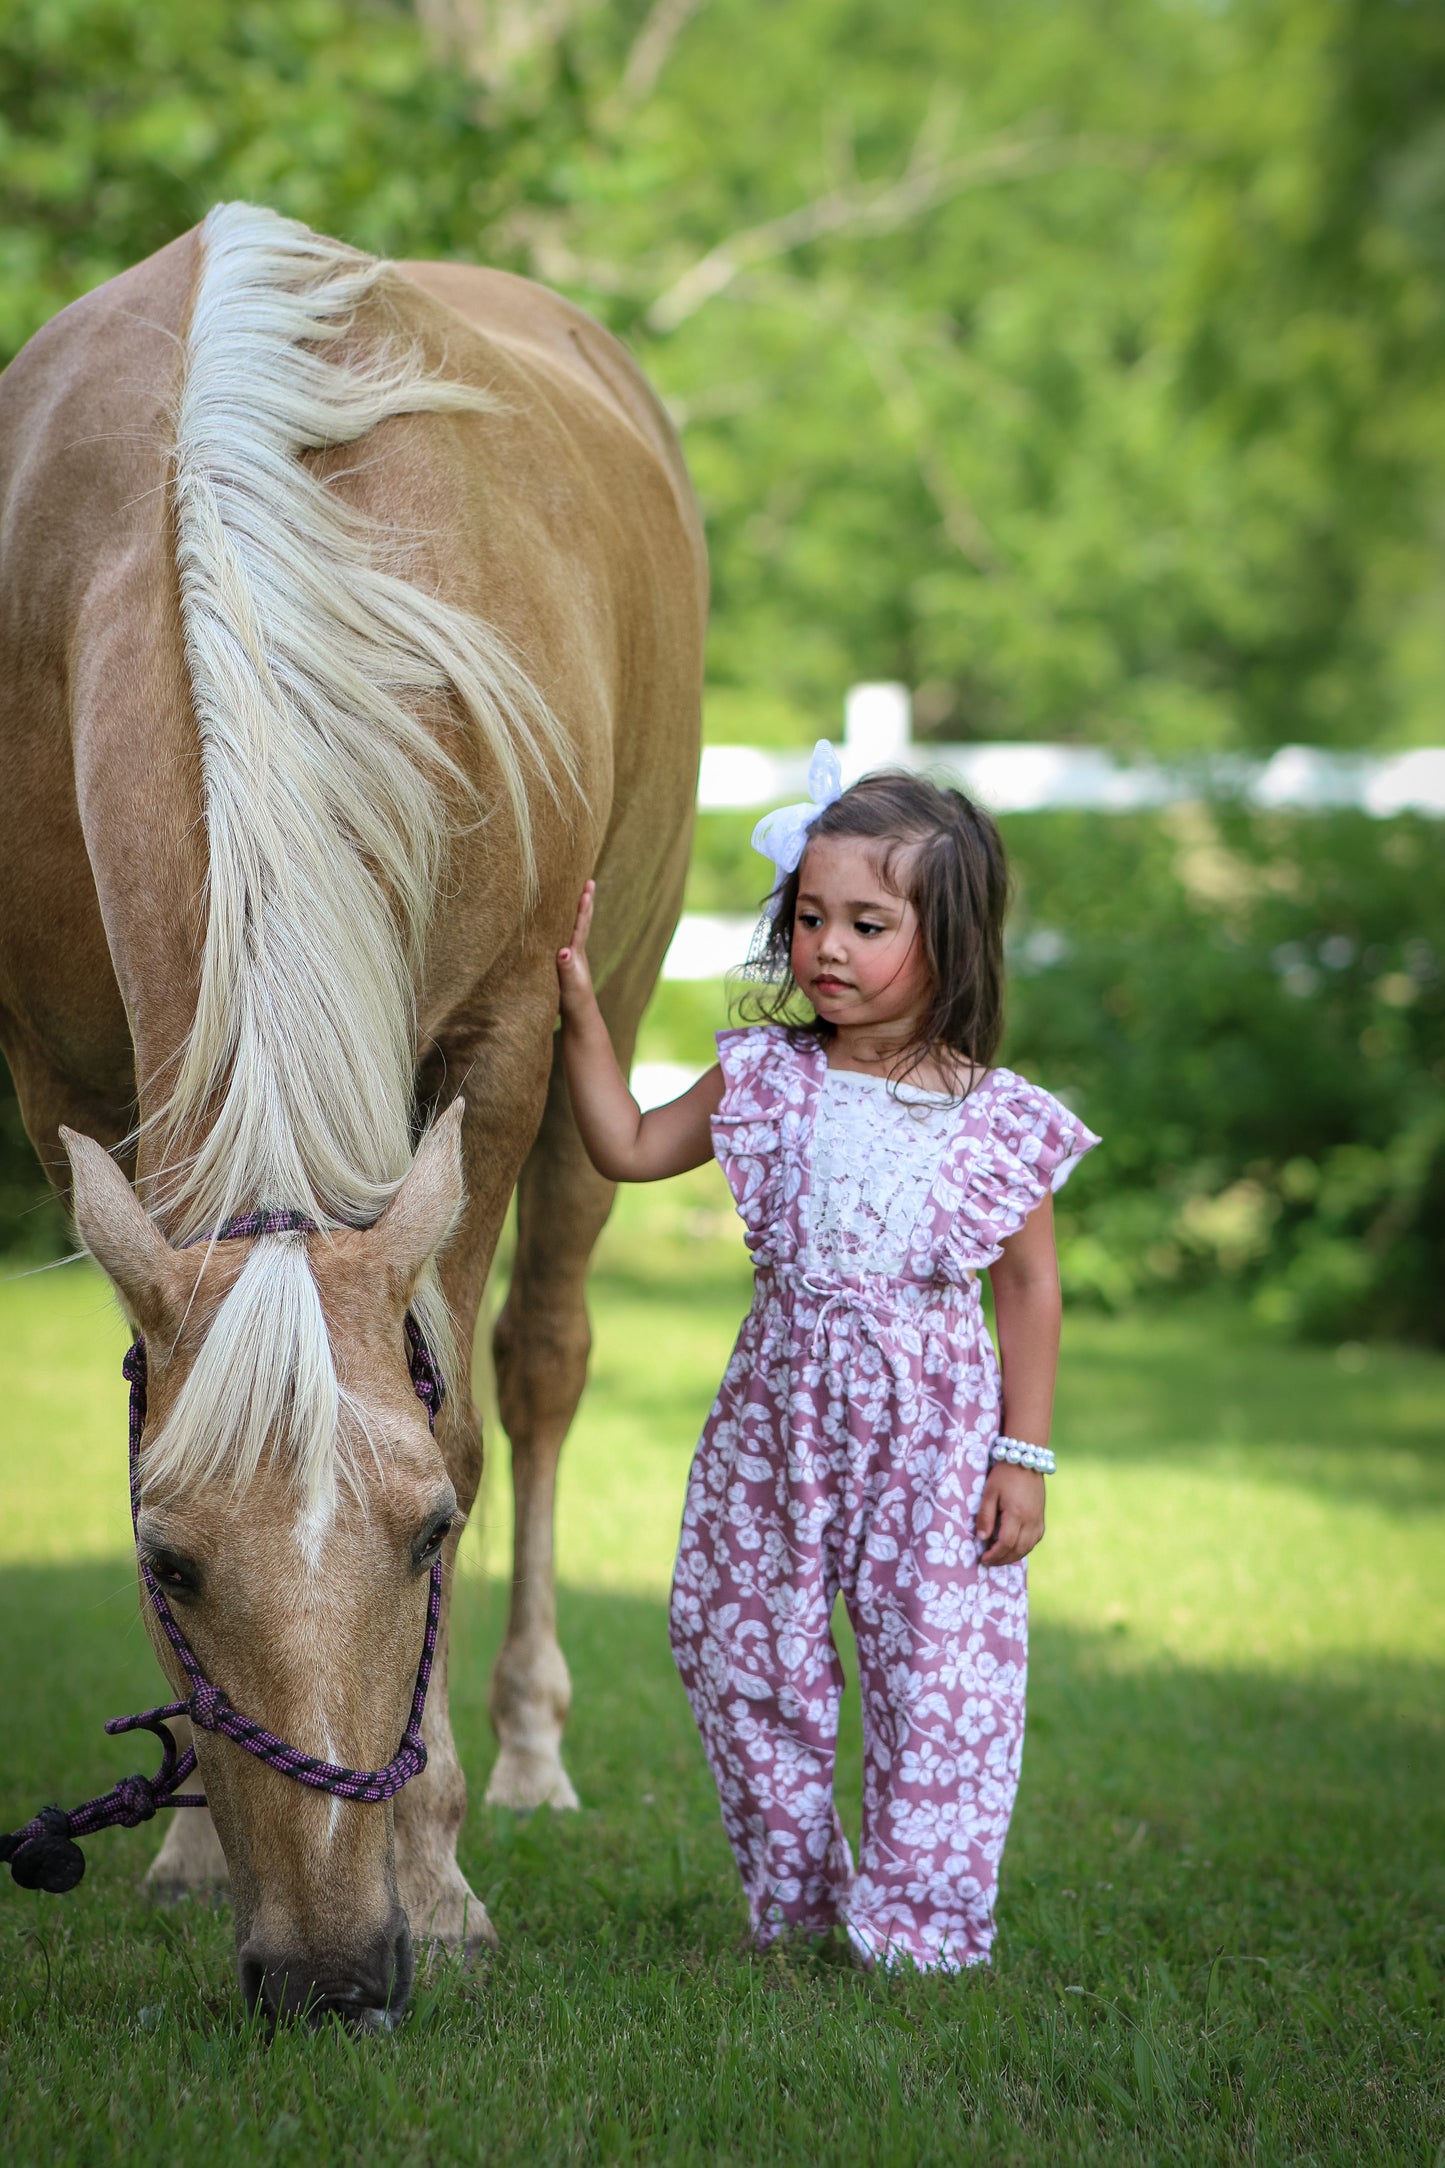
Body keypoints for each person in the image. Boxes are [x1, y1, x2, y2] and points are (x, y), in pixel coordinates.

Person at [556, 744, 1099, 1970]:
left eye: (865, 921)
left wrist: (1023, 1450)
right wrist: (584, 1015)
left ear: (947, 941)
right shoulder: (764, 1077)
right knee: (737, 1641)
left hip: (936, 1432)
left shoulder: (991, 1113)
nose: (827, 948)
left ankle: (918, 1926)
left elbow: (1028, 1284)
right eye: (808, 917)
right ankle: (796, 1902)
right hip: (775, 1419)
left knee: (937, 1678)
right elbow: (630, 1148)